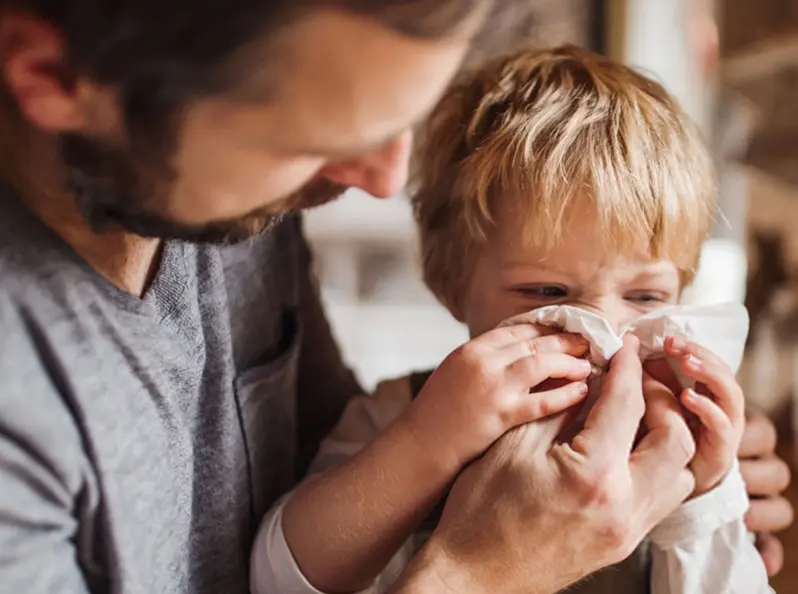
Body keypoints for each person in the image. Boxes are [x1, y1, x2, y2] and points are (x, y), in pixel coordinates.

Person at [0, 2, 789, 593]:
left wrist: (704, 503)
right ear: (54, 81)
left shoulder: (232, 202)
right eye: (311, 138)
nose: (380, 180)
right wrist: (480, 567)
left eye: (647, 293)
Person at [253, 45, 779, 594]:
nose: (602, 335)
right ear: (452, 284)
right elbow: (277, 580)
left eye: (646, 298)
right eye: (548, 293)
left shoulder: (673, 436)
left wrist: (706, 495)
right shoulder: (405, 413)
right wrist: (429, 440)